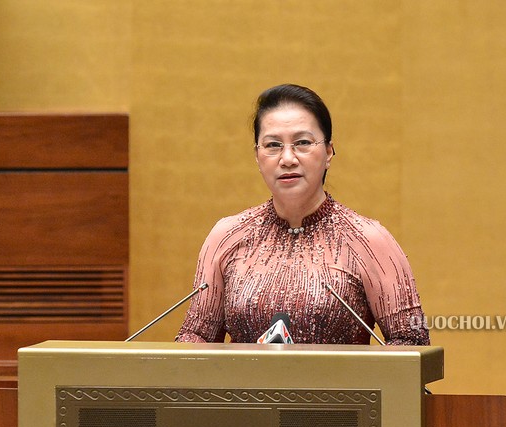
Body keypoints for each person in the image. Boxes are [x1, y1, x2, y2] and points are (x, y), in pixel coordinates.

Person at [175, 84, 429, 345]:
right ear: (257, 156)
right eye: (272, 145)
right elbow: (197, 337)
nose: (287, 158)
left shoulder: (369, 240)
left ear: (328, 152)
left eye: (303, 143)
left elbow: (411, 341)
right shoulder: (226, 236)